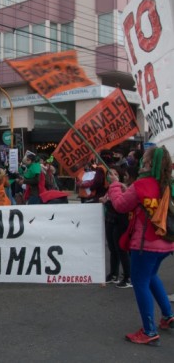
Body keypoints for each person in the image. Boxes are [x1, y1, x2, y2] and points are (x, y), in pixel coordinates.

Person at [107, 146, 174, 346]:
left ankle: (149, 329)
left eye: (143, 159)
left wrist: (115, 186)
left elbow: (120, 205)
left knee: (140, 282)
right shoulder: (169, 184)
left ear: (148, 163)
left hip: (146, 245)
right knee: (151, 276)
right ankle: (168, 315)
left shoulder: (141, 184)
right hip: (167, 243)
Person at [100, 166, 131, 288]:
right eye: (109, 173)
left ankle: (128, 276)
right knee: (113, 248)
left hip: (120, 221)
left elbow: (119, 204)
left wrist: (107, 201)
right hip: (111, 220)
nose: (111, 176)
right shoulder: (111, 188)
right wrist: (105, 200)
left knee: (121, 249)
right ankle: (114, 274)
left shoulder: (120, 187)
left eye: (114, 173)